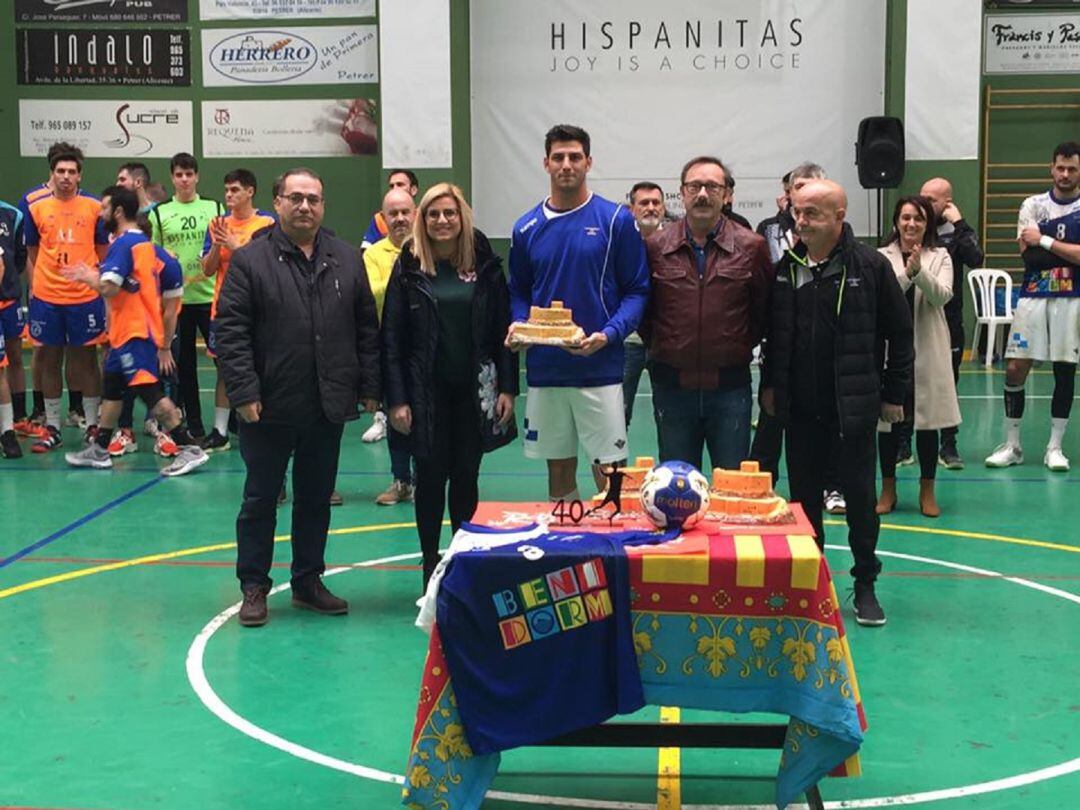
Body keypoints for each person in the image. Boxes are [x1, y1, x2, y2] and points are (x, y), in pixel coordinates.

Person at [215, 168, 381, 628]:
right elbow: (230, 333)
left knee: (314, 499)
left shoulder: (347, 259)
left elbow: (366, 328)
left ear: (323, 205)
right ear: (279, 202)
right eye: (296, 198)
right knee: (260, 500)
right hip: (266, 406)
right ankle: (253, 585)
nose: (305, 206)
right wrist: (245, 391)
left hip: (326, 406)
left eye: (314, 199)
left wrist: (369, 387)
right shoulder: (250, 261)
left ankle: (308, 581)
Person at [760, 180, 913, 627]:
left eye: (812, 214)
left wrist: (891, 393)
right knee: (803, 503)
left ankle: (865, 584)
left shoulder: (871, 266)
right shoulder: (786, 269)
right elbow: (776, 336)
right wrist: (772, 386)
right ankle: (812, 583)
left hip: (855, 409)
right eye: (797, 213)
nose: (801, 222)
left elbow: (900, 336)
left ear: (840, 216)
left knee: (861, 503)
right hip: (801, 411)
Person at [382, 183, 518, 588]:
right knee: (429, 478)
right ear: (423, 220)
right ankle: (429, 565)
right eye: (433, 214)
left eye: (449, 213)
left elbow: (502, 331)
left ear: (462, 217)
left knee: (465, 478)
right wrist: (397, 399)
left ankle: (461, 562)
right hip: (424, 395)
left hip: (474, 393)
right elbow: (392, 337)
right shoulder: (408, 266)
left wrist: (508, 388)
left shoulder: (487, 265)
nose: (442, 221)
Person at [507, 124, 650, 501]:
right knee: (558, 471)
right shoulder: (525, 228)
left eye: (574, 157)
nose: (566, 164)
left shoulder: (616, 220)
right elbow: (519, 290)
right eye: (558, 157)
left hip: (599, 368)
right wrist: (520, 325)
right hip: (546, 371)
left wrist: (609, 334)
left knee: (610, 476)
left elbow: (637, 291)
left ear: (589, 162)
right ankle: (567, 554)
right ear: (546, 163)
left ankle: (613, 557)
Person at [61, 186, 208, 477]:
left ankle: (189, 447)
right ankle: (101, 449)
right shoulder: (143, 245)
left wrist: (88, 277)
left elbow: (110, 286)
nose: (101, 214)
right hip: (126, 333)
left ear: (117, 212)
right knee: (112, 389)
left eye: (104, 208)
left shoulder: (124, 245)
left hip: (134, 333)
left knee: (149, 392)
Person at [640, 155, 772, 472]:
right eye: (694, 186)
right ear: (682, 193)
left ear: (726, 195)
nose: (702, 194)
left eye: (712, 187)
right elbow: (646, 315)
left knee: (731, 490)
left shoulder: (752, 247)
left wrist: (733, 345)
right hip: (672, 391)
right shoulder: (656, 247)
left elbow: (762, 313)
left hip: (730, 391)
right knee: (677, 491)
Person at [986, 141, 1080, 472]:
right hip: (1032, 297)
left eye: (1072, 169)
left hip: (1072, 299)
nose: (1065, 174)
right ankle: (1013, 445)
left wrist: (1043, 239)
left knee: (1064, 369)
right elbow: (1030, 258)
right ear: (1052, 168)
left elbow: (1050, 251)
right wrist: (1063, 250)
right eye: (1061, 168)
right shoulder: (1033, 205)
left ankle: (1054, 447)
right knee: (1015, 368)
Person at [876, 196, 960, 518]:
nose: (911, 224)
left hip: (928, 346)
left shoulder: (941, 256)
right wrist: (907, 275)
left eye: (919, 219)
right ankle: (888, 489)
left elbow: (942, 296)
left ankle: (927, 491)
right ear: (896, 221)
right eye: (906, 218)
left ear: (928, 225)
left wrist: (920, 272)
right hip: (890, 351)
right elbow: (880, 298)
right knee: (888, 423)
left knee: (928, 423)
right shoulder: (881, 257)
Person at [24, 143, 109, 453]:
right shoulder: (35, 206)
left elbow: (102, 252)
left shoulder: (95, 206)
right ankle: (53, 427)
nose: (66, 177)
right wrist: (38, 289)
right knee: (49, 359)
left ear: (79, 176)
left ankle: (91, 425)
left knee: (86, 359)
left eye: (72, 172)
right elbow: (33, 253)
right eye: (60, 171)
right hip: (47, 298)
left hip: (84, 297)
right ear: (52, 174)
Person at [200, 169, 276, 453]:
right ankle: (219, 432)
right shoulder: (217, 224)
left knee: (261, 367)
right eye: (227, 190)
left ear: (250, 191)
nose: (229, 195)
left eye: (235, 190)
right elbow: (207, 270)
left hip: (259, 308)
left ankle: (260, 423)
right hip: (224, 308)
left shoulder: (267, 222)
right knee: (225, 370)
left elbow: (267, 265)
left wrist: (235, 245)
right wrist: (217, 246)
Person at [151, 153, 224, 440]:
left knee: (225, 363)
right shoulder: (160, 213)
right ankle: (194, 424)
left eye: (189, 174)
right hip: (177, 302)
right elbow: (152, 254)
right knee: (186, 369)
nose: (184, 179)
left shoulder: (214, 208)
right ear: (172, 177)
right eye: (179, 174)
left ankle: (229, 422)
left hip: (211, 299)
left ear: (197, 177)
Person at [364, 188, 418, 506]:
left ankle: (426, 479)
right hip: (390, 350)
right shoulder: (373, 255)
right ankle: (401, 481)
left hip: (427, 349)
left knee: (427, 418)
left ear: (415, 214)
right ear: (383, 219)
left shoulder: (432, 249)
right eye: (392, 214)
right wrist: (405, 273)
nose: (399, 219)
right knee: (397, 417)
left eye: (404, 212)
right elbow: (373, 294)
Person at [111, 161, 166, 455]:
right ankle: (119, 431)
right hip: (120, 318)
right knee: (116, 378)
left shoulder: (155, 217)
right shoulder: (116, 228)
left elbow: (164, 262)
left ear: (138, 182)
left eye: (123, 179)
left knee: (153, 378)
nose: (118, 183)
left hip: (147, 316)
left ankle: (171, 433)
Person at [624, 181, 665, 429]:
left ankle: (671, 470)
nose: (650, 208)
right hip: (627, 342)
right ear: (632, 208)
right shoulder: (619, 243)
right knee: (617, 415)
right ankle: (615, 469)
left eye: (655, 203)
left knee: (669, 418)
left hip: (664, 342)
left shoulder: (676, 241)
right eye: (643, 203)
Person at [0, 195, 27, 457]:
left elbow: (19, 259)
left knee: (13, 358)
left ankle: (17, 419)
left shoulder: (12, 215)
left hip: (8, 301)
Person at [361, 169, 419, 252]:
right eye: (392, 186)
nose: (395, 189)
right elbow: (365, 251)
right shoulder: (379, 219)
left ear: (413, 190)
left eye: (400, 184)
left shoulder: (424, 218)